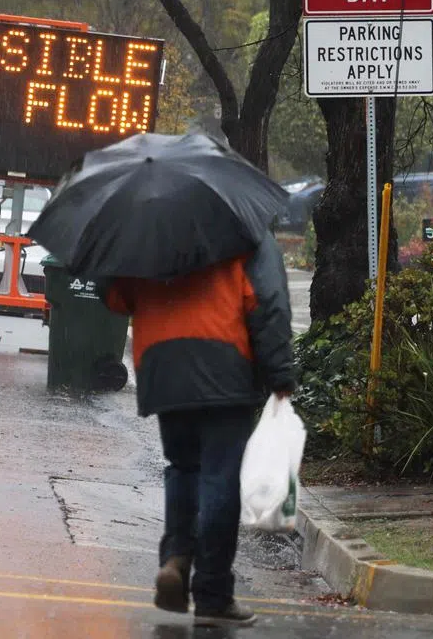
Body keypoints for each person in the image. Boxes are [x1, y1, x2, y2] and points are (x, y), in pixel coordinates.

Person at [102, 233, 295, 628]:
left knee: (183, 466)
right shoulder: (246, 232)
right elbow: (267, 303)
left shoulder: (150, 230)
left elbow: (117, 297)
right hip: (226, 366)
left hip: (163, 364)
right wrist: (280, 373)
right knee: (219, 477)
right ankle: (213, 594)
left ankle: (176, 557)